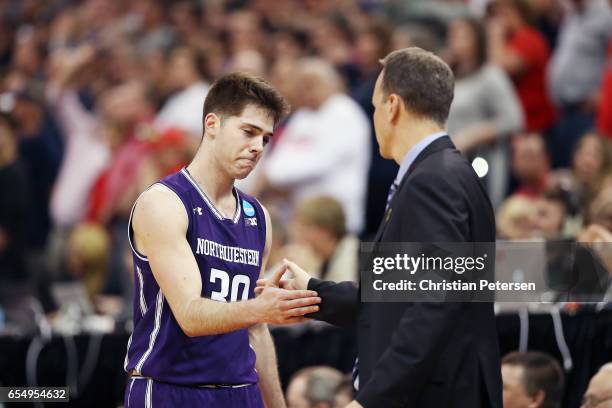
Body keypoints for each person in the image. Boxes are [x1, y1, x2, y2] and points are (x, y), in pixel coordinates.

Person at [259, 48, 502, 407]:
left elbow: (433, 304)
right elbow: (398, 295)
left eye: (374, 107)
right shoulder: (443, 173)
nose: (374, 118)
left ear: (393, 106)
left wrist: (371, 400)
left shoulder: (433, 180)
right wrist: (313, 291)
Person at [123, 73, 322, 407]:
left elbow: (255, 328)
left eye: (266, 139)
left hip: (240, 392)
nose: (258, 147)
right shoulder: (165, 202)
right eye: (248, 132)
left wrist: (276, 404)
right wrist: (261, 308)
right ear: (212, 124)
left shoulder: (258, 217)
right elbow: (190, 315)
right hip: (171, 389)